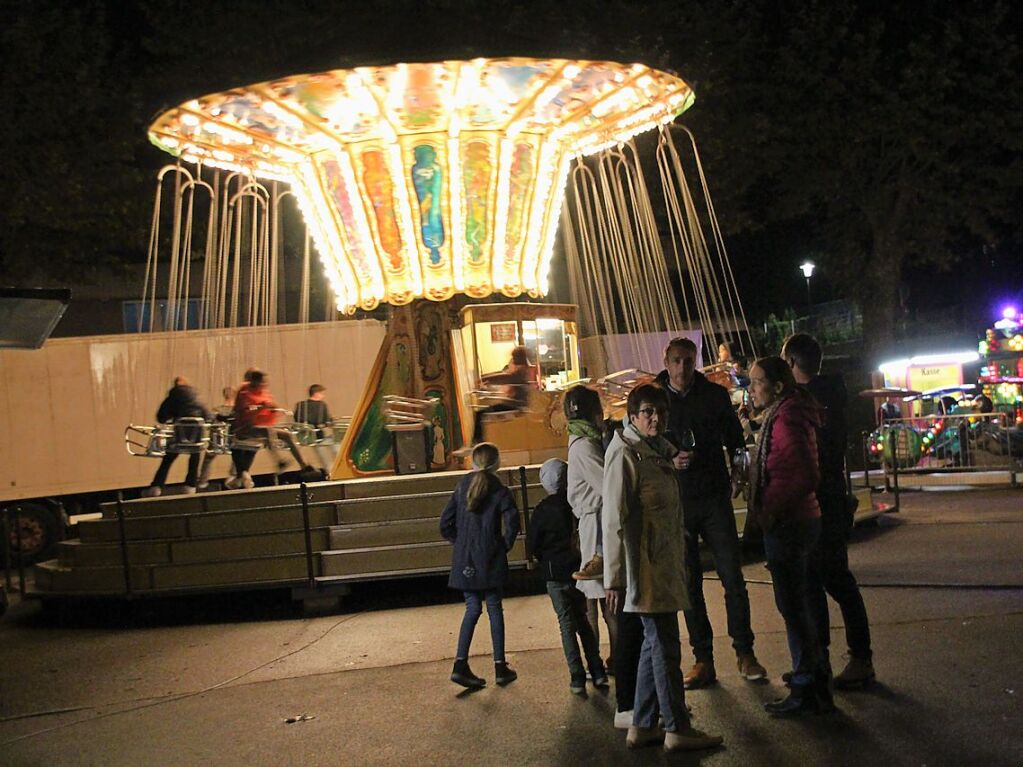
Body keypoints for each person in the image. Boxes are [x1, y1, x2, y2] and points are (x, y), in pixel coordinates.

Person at [603, 383, 723, 752]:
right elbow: (613, 518)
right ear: (634, 415)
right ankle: (676, 725)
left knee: (651, 647)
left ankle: (642, 724)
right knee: (665, 647)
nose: (656, 418)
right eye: (648, 412)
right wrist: (614, 578)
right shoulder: (626, 453)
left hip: (662, 565)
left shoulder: (654, 452)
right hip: (647, 569)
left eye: (661, 412)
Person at [654, 337, 766, 689]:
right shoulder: (655, 398)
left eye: (688, 361)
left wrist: (738, 470)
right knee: (689, 585)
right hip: (678, 502)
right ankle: (703, 658)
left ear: (696, 360)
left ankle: (744, 651)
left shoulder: (714, 396)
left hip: (713, 498)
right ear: (666, 361)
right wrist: (668, 459)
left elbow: (735, 440)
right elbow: (643, 443)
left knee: (733, 576)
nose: (683, 368)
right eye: (676, 361)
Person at [783, 333, 875, 689]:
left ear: (791, 363)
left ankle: (858, 657)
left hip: (822, 501)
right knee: (815, 581)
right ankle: (820, 659)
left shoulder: (811, 403)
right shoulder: (831, 397)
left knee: (834, 578)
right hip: (829, 498)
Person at [747, 356, 833, 716]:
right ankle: (814, 679)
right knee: (803, 603)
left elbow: (804, 473)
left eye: (757, 382)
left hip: (790, 523)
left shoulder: (785, 419)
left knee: (795, 608)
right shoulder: (788, 414)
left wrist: (770, 511)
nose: (751, 389)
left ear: (778, 386)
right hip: (800, 521)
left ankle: (806, 686)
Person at [564, 386, 626, 718]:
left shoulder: (579, 441)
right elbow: (608, 485)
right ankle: (609, 658)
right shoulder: (586, 446)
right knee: (606, 600)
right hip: (597, 528)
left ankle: (601, 660)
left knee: (597, 599)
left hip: (592, 526)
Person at [440, 442, 521, 689]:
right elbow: (513, 522)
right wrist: (503, 546)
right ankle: (500, 666)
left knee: (472, 609)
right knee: (495, 608)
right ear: (497, 464)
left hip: (465, 558)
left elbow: (445, 523)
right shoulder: (501, 491)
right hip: (490, 557)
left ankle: (460, 664)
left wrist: (461, 542)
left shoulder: (462, 486)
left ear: (473, 463)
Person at [527, 458, 609, 694]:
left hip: (554, 575)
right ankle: (598, 671)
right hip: (576, 571)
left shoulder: (542, 509)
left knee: (566, 624)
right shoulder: (574, 504)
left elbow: (534, 543)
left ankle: (576, 676)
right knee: (583, 621)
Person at [227, 369, 314, 489]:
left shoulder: (263, 391)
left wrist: (277, 409)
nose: (264, 386)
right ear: (254, 382)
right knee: (268, 432)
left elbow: (271, 404)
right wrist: (261, 407)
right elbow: (245, 412)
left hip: (262, 426)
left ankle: (304, 464)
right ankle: (278, 460)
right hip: (245, 427)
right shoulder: (244, 392)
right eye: (262, 383)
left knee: (286, 435)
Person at [142, 376, 212, 497]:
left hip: (178, 438)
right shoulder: (197, 398)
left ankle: (156, 486)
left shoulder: (172, 397)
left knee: (168, 459)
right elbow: (208, 416)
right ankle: (190, 486)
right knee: (195, 454)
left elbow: (161, 417)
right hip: (196, 438)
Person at [471, 346, 536, 444]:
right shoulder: (523, 368)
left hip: (514, 406)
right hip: (514, 404)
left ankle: (476, 443)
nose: (512, 359)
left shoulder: (520, 371)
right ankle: (478, 442)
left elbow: (506, 377)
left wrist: (485, 379)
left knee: (480, 414)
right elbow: (504, 375)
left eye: (514, 357)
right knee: (483, 413)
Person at [294, 384, 338, 471]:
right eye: (322, 393)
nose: (323, 396)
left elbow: (298, 420)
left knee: (325, 461)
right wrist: (330, 421)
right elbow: (326, 421)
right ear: (317, 393)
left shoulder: (301, 405)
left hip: (310, 437)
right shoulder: (322, 405)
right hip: (319, 436)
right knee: (337, 446)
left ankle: (329, 472)